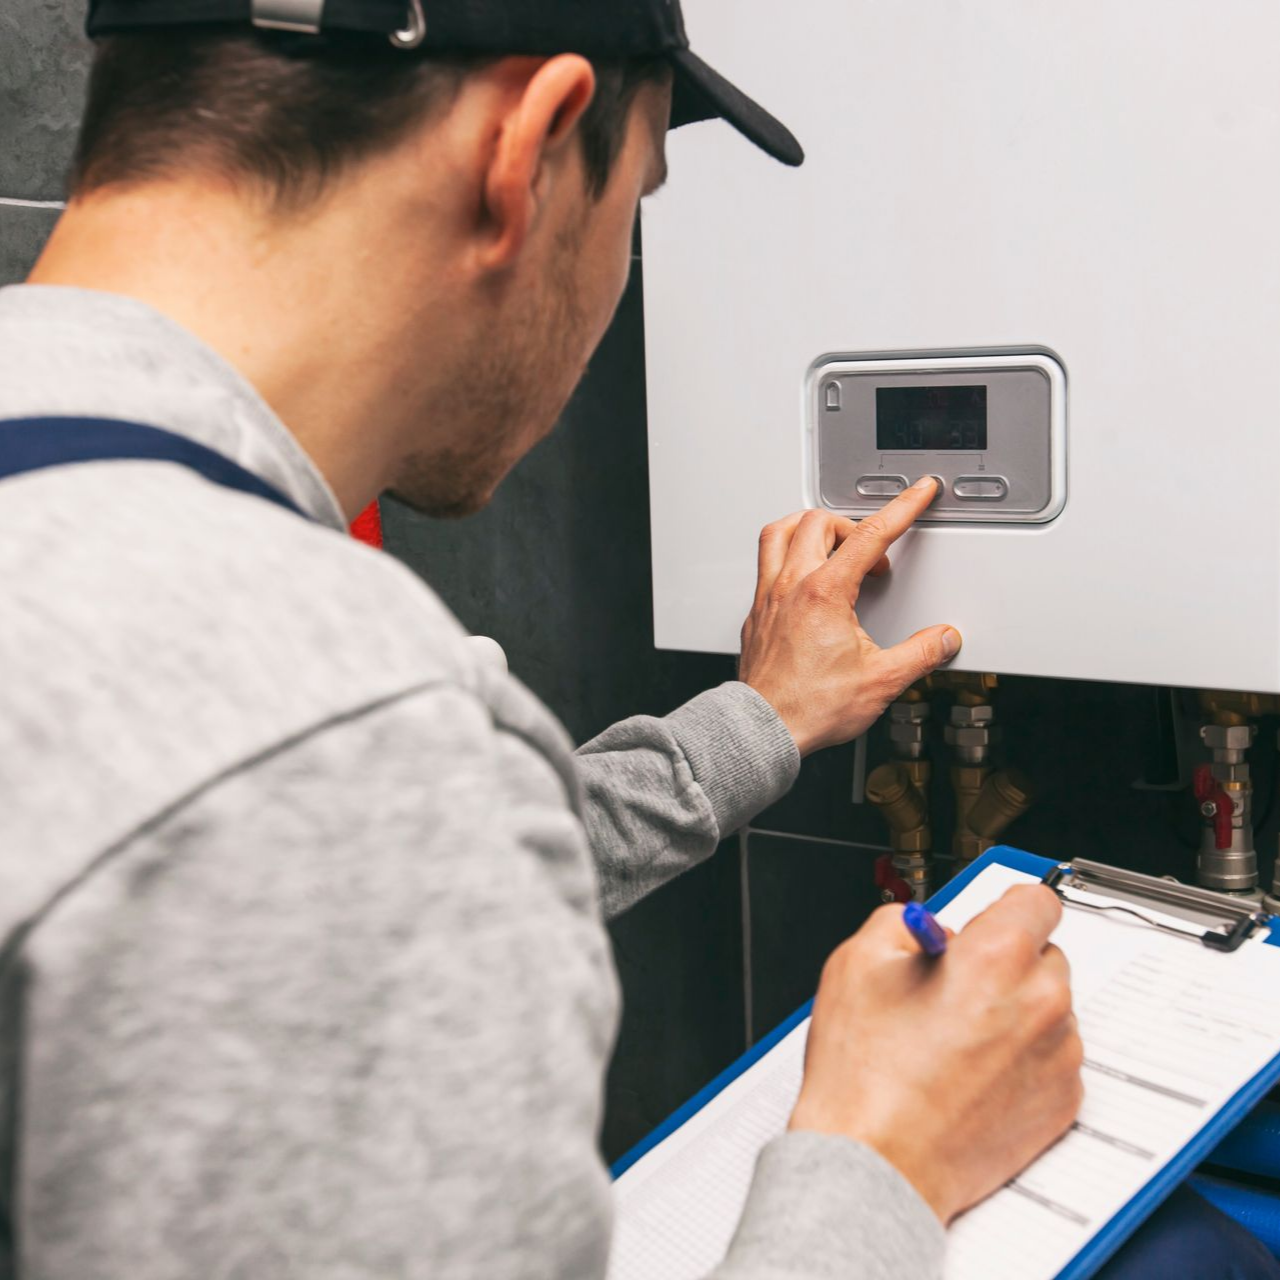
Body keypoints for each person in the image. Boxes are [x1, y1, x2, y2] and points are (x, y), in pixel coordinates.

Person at [0, 2, 1271, 1276]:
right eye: (639, 199)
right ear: (529, 148)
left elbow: (387, 852)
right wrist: (887, 1149)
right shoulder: (339, 734)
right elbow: (352, 810)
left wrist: (756, 721)